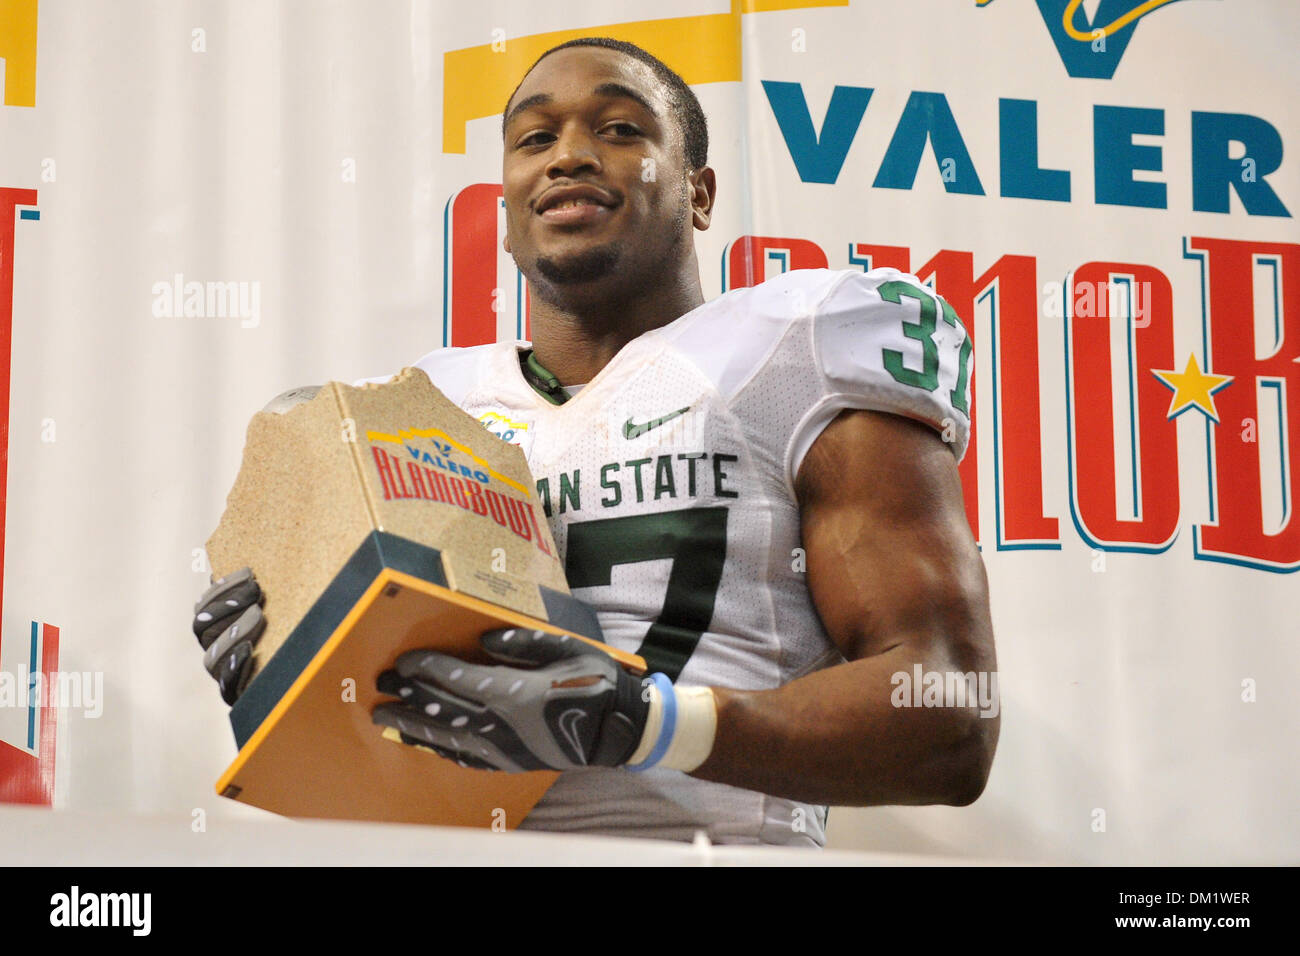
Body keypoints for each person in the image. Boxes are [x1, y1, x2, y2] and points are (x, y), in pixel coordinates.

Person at [193, 37, 998, 847]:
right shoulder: (421, 408)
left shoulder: (798, 347)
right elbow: (375, 746)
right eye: (535, 139)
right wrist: (294, 657)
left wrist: (645, 724)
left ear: (699, 190)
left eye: (618, 129)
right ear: (506, 217)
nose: (568, 156)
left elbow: (950, 714)